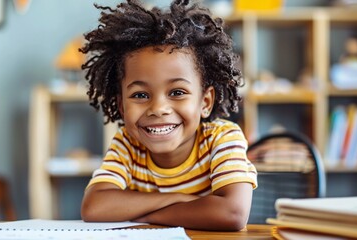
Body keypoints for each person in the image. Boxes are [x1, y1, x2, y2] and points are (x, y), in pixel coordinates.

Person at [80, 0, 257, 231]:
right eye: (141, 95)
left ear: (205, 102)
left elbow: (232, 214)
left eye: (177, 92)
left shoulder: (222, 139)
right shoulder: (127, 144)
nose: (158, 108)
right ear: (121, 106)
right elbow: (94, 207)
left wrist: (145, 214)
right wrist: (182, 199)